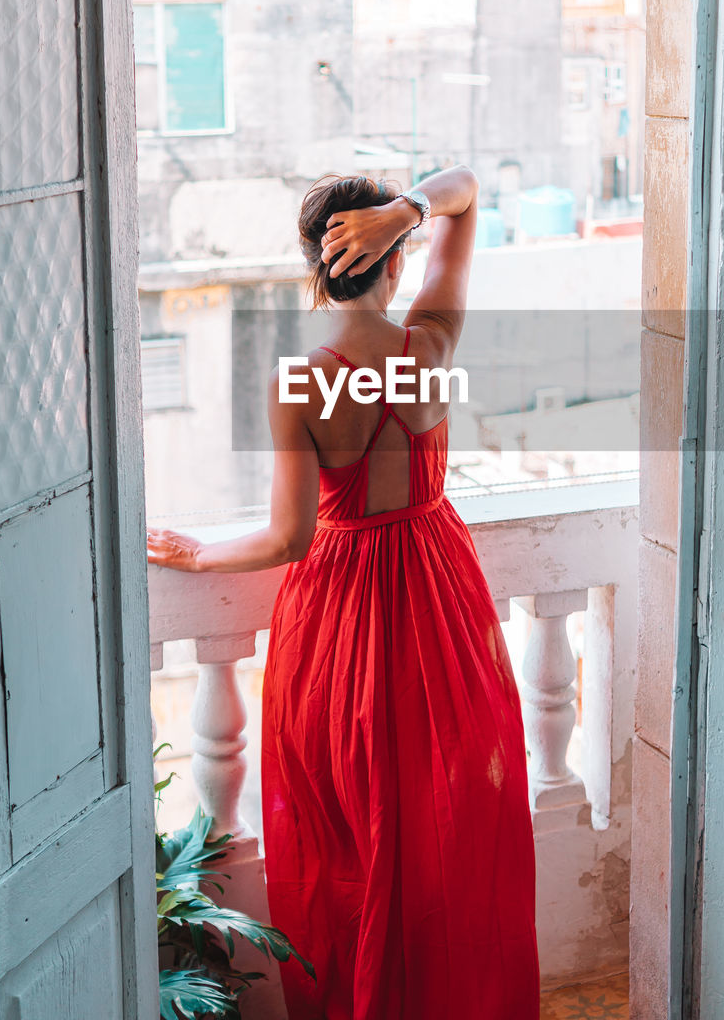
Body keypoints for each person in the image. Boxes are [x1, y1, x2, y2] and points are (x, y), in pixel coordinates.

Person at [147, 165, 539, 1020]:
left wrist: (198, 553)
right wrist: (409, 211)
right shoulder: (429, 346)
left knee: (347, 832)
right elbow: (465, 189)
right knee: (439, 823)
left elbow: (288, 539)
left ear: (312, 268)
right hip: (439, 595)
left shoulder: (301, 383)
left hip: (346, 620)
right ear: (393, 262)